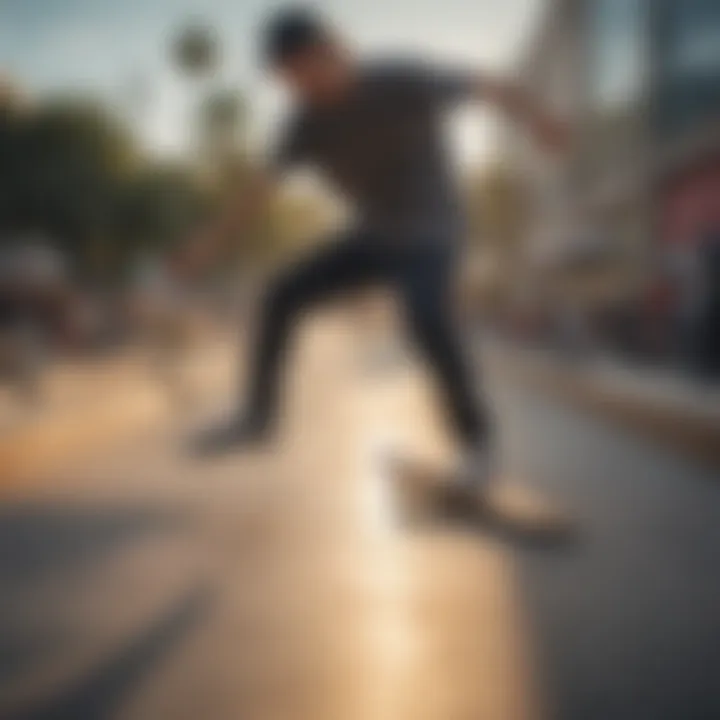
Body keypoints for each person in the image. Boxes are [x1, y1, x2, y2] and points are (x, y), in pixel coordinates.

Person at [179, 7, 568, 492]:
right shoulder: (304, 123)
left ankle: (477, 446)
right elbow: (260, 188)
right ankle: (258, 419)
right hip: (375, 236)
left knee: (426, 320)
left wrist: (542, 120)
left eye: (305, 72)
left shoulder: (401, 79)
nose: (302, 88)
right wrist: (209, 242)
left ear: (333, 51)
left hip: (433, 230)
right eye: (288, 80)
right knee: (280, 294)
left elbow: (489, 85)